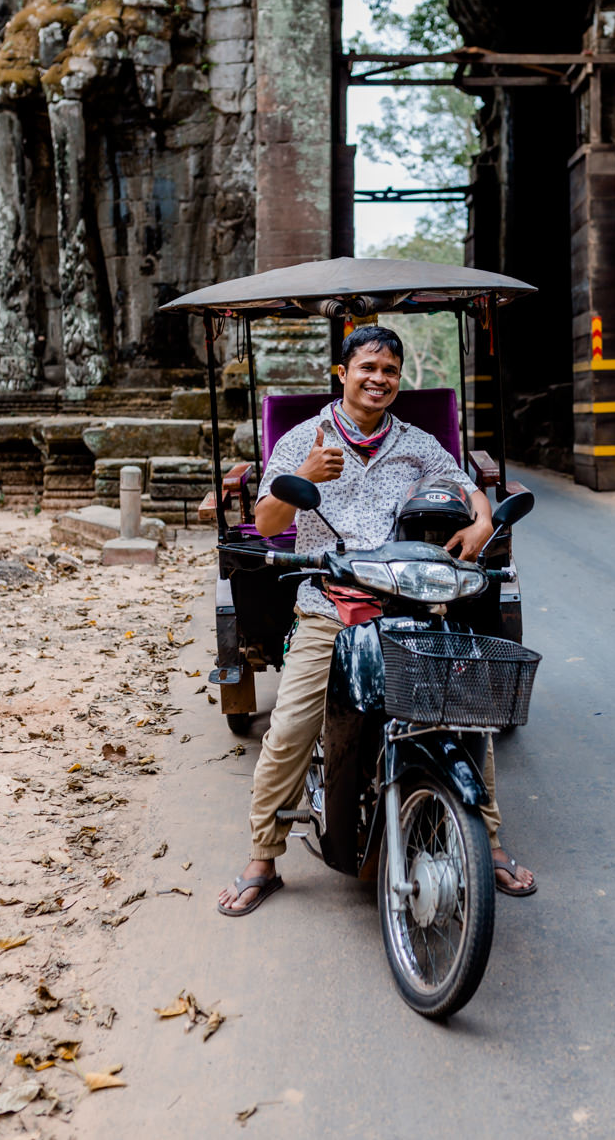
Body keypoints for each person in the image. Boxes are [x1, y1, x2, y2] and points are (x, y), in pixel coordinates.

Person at [217, 326, 536, 914]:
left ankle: (487, 842)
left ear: (398, 380)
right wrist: (308, 475)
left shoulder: (416, 443)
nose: (378, 379)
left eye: (389, 370)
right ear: (342, 373)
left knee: (464, 715)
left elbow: (467, 487)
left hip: (409, 600)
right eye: (367, 367)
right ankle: (263, 857)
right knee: (288, 730)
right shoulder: (301, 440)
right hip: (328, 603)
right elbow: (264, 523)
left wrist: (483, 519)